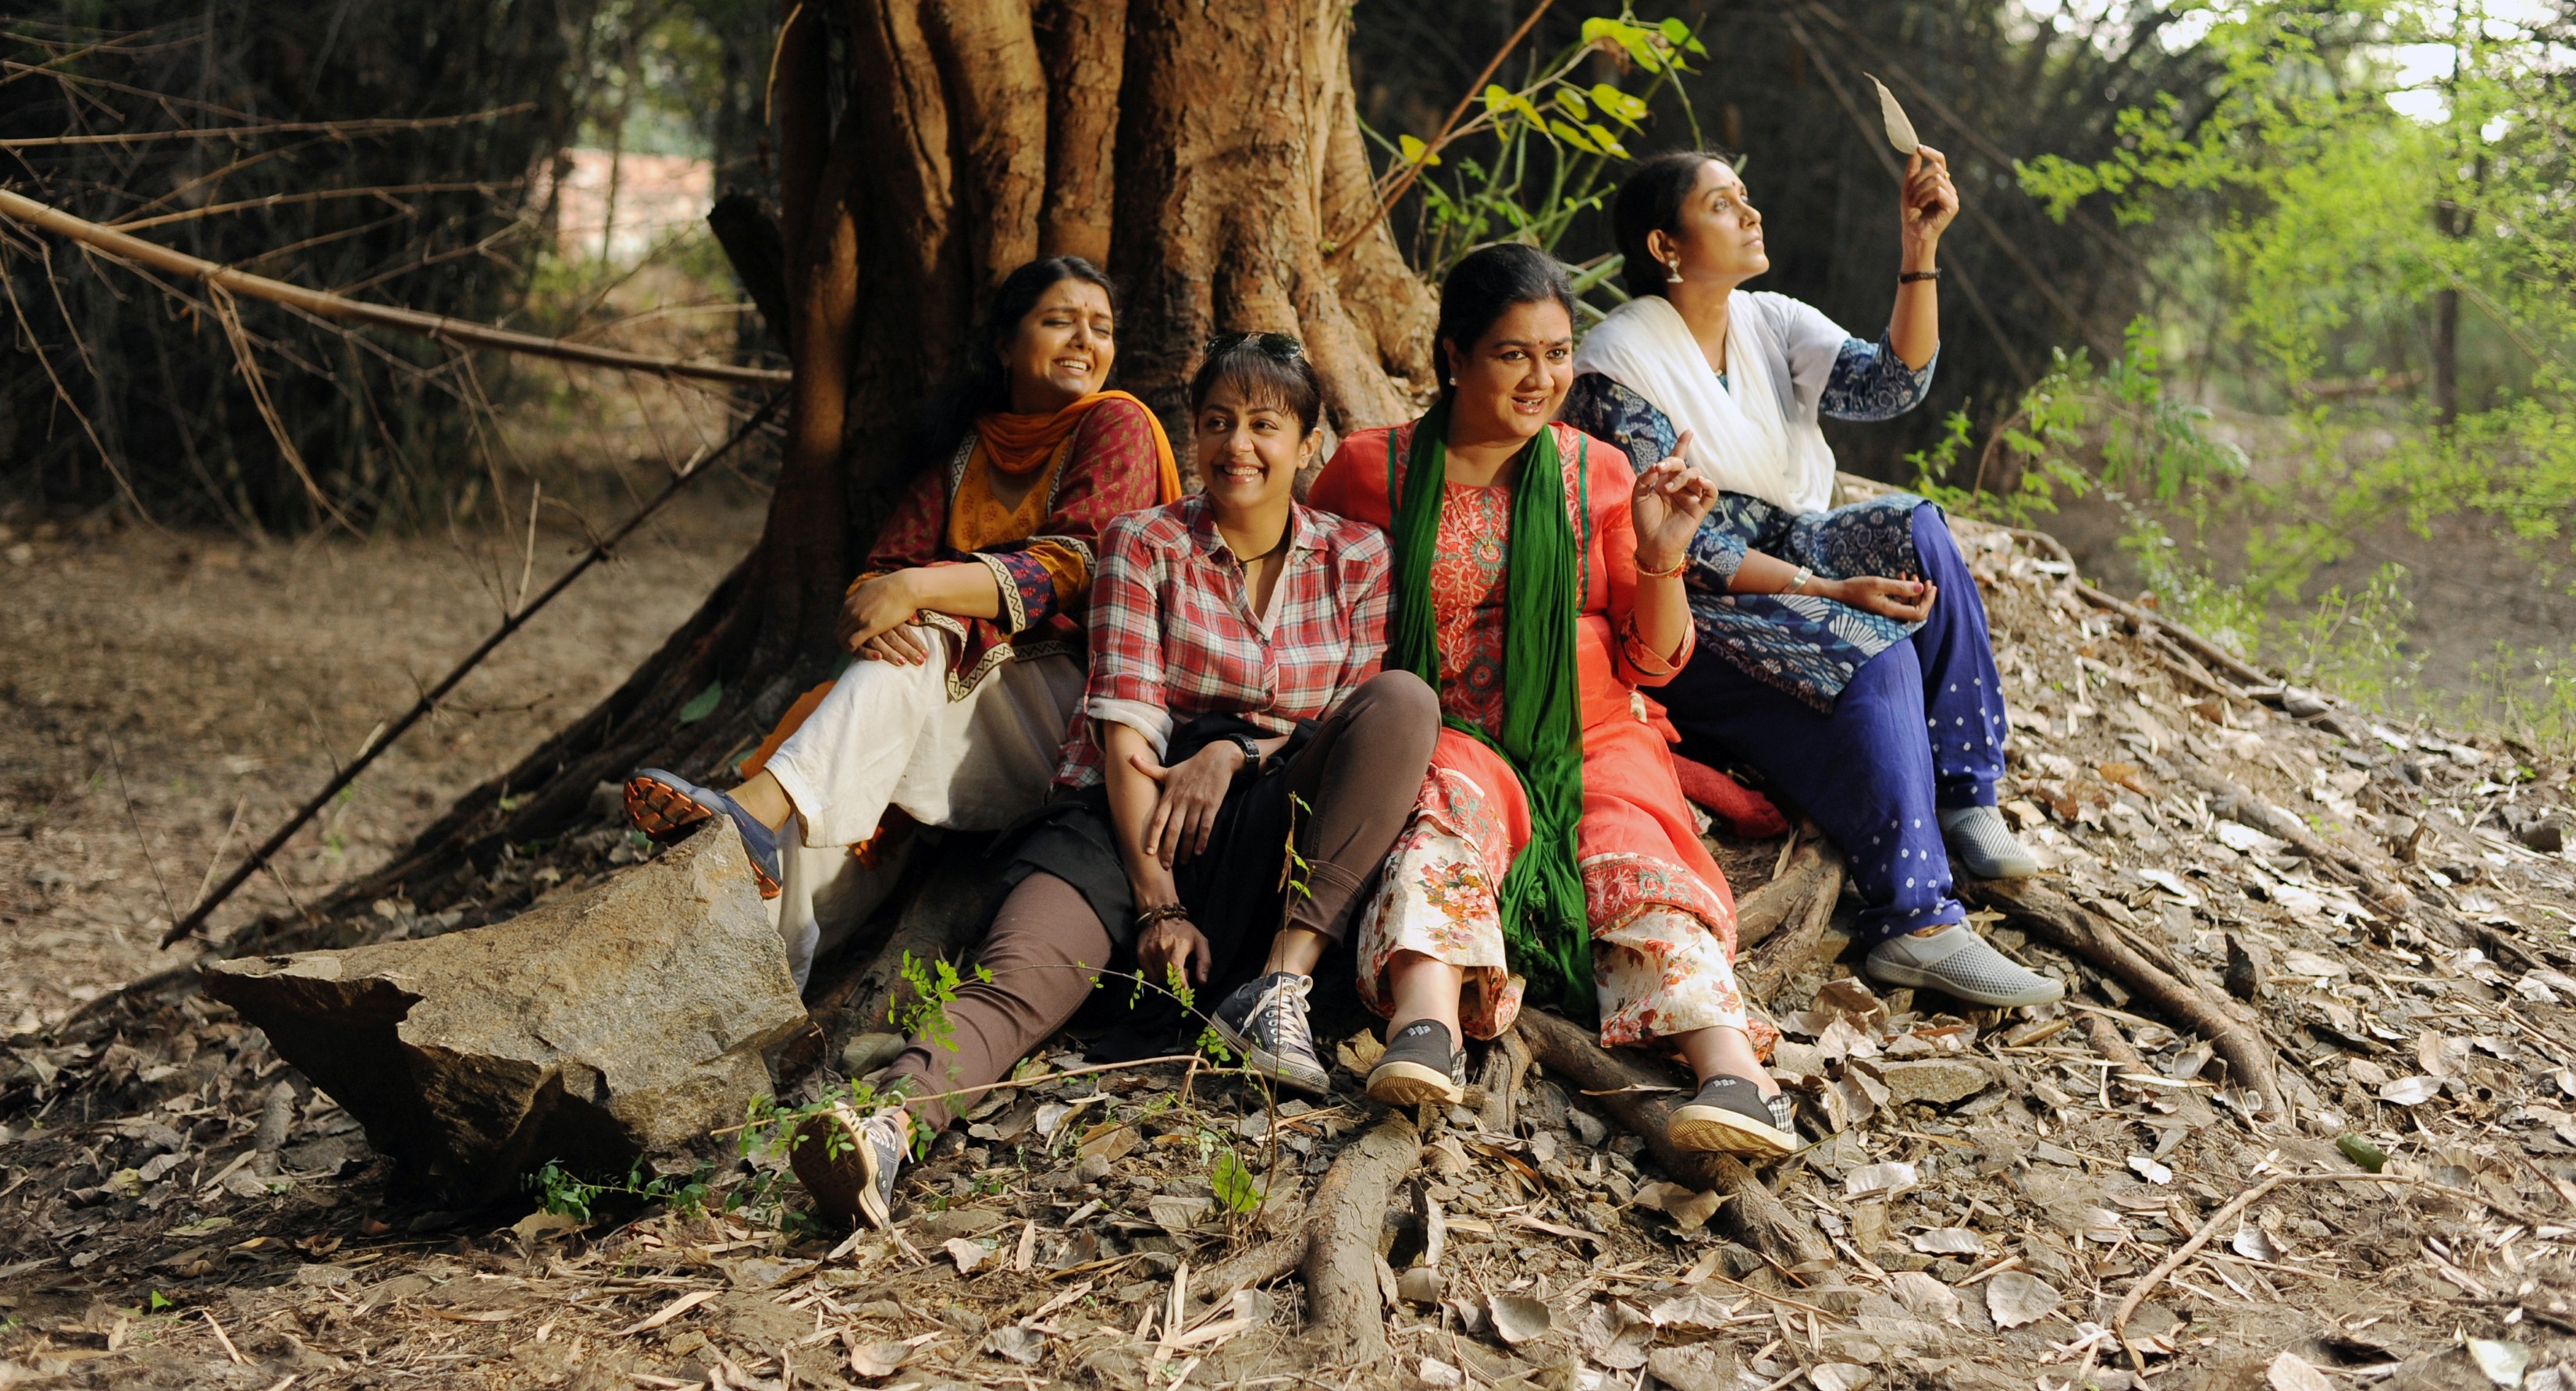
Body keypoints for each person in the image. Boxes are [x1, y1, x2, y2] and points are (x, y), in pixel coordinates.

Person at [790, 333, 1440, 1229]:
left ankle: (1279, 987)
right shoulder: (1145, 543)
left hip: (1276, 818)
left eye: (1263, 425)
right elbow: (1127, 721)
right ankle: (887, 1124)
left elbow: (1346, 717)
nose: (1236, 447)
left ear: (1307, 444)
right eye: (1217, 423)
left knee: (1404, 702)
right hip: (1127, 813)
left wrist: (1237, 754)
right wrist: (1159, 900)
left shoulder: (1359, 558)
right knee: (1021, 970)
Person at [1309, 244, 1796, 1159]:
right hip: (1446, 732)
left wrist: (1664, 550)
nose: (1543, 378)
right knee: (1442, 816)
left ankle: (1735, 1075)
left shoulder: (1597, 474)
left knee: (1631, 853)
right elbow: (1314, 609)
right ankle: (1427, 1029)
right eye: (1513, 354)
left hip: (1596, 737)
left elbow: (1653, 660)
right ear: (1454, 356)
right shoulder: (1371, 470)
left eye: (1558, 352)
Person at [1560, 147, 2062, 1009]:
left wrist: (1920, 248)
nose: (1751, 214)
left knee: (1918, 528)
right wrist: (1828, 594)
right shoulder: (1618, 362)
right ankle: (1916, 922)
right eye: (1723, 205)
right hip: (1695, 591)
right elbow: (1680, 540)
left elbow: (1890, 384)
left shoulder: (1770, 320)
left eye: (1746, 198)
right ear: (1665, 244)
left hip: (1797, 539)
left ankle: (1964, 797)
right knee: (1877, 647)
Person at [621, 256, 1181, 987]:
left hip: (1070, 729)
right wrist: (883, 607)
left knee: (923, 636)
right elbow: (878, 576)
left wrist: (918, 589)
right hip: (948, 713)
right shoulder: (965, 449)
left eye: (1100, 328)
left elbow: (1072, 564)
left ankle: (753, 805)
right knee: (832, 789)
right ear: (1006, 344)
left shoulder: (1118, 423)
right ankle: (753, 989)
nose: (1085, 339)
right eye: (1059, 320)